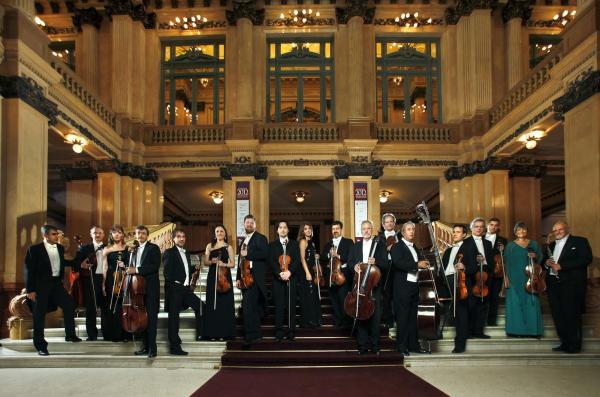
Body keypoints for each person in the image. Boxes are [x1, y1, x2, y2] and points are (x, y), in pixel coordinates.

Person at [24, 224, 81, 356]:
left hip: (56, 284)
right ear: (45, 235)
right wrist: (30, 290)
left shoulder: (60, 248)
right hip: (40, 286)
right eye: (53, 234)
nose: (57, 236)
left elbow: (61, 262)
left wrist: (77, 263)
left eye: (57, 234)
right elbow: (29, 270)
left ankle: (70, 335)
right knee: (39, 314)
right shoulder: (34, 249)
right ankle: (41, 346)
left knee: (69, 304)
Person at [544, 221, 593, 353]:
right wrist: (546, 263)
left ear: (567, 229)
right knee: (558, 315)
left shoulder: (580, 241)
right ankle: (565, 343)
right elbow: (544, 262)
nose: (557, 232)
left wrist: (562, 266)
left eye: (560, 229)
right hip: (554, 284)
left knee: (572, 314)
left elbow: (586, 259)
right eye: (555, 230)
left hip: (571, 285)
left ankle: (574, 345)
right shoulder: (552, 244)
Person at [452, 217, 496, 353]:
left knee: (483, 305)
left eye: (481, 226)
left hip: (484, 278)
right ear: (471, 228)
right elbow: (460, 261)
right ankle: (467, 332)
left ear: (484, 229)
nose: (479, 228)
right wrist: (475, 265)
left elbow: (492, 263)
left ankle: (478, 330)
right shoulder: (465, 243)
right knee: (470, 305)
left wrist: (485, 263)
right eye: (476, 226)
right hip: (470, 279)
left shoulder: (488, 244)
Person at [347, 220, 388, 355]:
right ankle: (362, 346)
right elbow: (349, 263)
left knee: (375, 318)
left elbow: (385, 264)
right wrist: (354, 266)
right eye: (364, 228)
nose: (366, 231)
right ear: (361, 230)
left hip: (373, 287)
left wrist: (376, 262)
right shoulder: (355, 246)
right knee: (361, 316)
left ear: (372, 230)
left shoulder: (380, 245)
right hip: (359, 285)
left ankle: (375, 346)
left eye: (368, 228)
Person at [390, 221, 429, 356]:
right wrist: (417, 264)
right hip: (402, 288)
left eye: (413, 229)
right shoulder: (397, 247)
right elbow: (398, 263)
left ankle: (414, 345)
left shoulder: (415, 247)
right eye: (408, 229)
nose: (412, 231)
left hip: (414, 286)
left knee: (413, 318)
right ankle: (401, 347)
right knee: (403, 318)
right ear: (403, 232)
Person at [163, 229, 205, 355]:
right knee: (174, 319)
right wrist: (175, 285)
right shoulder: (169, 252)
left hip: (185, 289)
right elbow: (167, 273)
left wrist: (193, 268)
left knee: (201, 306)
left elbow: (183, 270)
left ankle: (201, 334)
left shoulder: (186, 253)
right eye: (179, 236)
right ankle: (175, 347)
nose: (182, 238)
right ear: (173, 239)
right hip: (175, 289)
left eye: (183, 236)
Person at [124, 225, 161, 358]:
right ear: (135, 235)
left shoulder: (153, 248)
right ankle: (145, 347)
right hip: (137, 290)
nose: (140, 235)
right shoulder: (132, 251)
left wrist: (137, 270)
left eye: (143, 233)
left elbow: (154, 267)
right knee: (142, 320)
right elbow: (130, 267)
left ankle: (153, 349)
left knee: (151, 319)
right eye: (138, 233)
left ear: (147, 235)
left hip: (150, 289)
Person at [503, 222, 543, 338]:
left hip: (530, 278)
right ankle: (516, 331)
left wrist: (535, 257)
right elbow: (505, 264)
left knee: (532, 303)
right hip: (513, 279)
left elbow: (540, 258)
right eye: (519, 230)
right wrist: (506, 278)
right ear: (515, 232)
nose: (522, 232)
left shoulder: (534, 244)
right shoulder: (510, 246)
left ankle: (533, 331)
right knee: (515, 304)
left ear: (527, 231)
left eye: (524, 230)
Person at [235, 214, 269, 348]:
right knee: (251, 307)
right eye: (247, 223)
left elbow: (265, 254)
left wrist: (248, 254)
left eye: (251, 222)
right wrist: (238, 277)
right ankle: (256, 334)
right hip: (245, 278)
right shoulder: (243, 241)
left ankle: (249, 336)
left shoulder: (261, 238)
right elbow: (240, 261)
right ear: (244, 225)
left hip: (255, 278)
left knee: (248, 307)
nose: (249, 224)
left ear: (255, 224)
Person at [201, 225, 236, 341]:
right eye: (217, 231)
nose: (219, 233)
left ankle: (224, 333)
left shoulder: (228, 247)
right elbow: (205, 262)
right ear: (214, 234)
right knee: (212, 303)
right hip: (212, 276)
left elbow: (232, 264)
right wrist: (212, 261)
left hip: (224, 277)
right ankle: (212, 333)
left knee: (224, 304)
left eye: (221, 231)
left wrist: (223, 264)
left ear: (225, 234)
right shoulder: (209, 246)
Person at [268, 221, 301, 341]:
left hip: (291, 278)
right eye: (280, 227)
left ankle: (291, 331)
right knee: (279, 306)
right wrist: (279, 273)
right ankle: (279, 331)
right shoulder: (272, 245)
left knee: (291, 305)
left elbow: (297, 260)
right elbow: (271, 261)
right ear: (277, 230)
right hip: (278, 279)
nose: (282, 229)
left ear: (288, 230)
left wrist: (289, 272)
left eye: (285, 227)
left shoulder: (294, 244)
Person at [74, 226, 106, 341]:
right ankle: (92, 334)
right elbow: (76, 263)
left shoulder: (107, 247)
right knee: (91, 307)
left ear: (103, 235)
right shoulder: (84, 249)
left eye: (100, 233)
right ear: (91, 234)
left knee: (106, 307)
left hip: (106, 279)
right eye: (95, 233)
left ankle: (107, 332)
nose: (97, 235)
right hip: (91, 279)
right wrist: (81, 264)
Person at [321, 221, 354, 329]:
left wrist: (338, 255)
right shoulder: (328, 244)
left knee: (343, 299)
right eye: (333, 229)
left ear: (341, 229)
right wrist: (328, 254)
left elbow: (351, 257)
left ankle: (346, 322)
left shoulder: (348, 242)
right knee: (334, 300)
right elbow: (322, 257)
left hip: (343, 276)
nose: (335, 230)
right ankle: (337, 320)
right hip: (331, 276)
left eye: (337, 228)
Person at [101, 225, 129, 342]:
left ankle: (126, 333)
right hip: (111, 279)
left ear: (123, 234)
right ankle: (113, 334)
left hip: (125, 279)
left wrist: (125, 266)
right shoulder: (107, 249)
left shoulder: (128, 248)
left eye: (119, 232)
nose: (117, 234)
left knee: (124, 306)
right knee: (112, 305)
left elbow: (132, 264)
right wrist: (103, 283)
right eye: (114, 233)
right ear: (111, 235)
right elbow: (104, 267)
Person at [298, 222, 322, 328]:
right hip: (305, 272)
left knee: (313, 295)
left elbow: (311, 257)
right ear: (302, 231)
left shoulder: (312, 243)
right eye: (305, 229)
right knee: (307, 295)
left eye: (309, 228)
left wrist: (316, 256)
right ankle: (307, 320)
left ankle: (314, 319)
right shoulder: (303, 241)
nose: (308, 230)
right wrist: (307, 273)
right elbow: (302, 259)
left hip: (312, 271)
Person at [441, 224, 468, 319]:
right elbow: (442, 266)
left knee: (458, 304)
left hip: (456, 278)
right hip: (445, 279)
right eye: (454, 232)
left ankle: (456, 322)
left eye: (458, 232)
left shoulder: (467, 248)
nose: (454, 234)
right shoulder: (448, 250)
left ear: (464, 235)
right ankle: (448, 321)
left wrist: (464, 267)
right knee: (446, 303)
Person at [485, 217, 508, 326]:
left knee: (494, 298)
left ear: (498, 227)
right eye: (491, 224)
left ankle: (491, 322)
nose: (493, 227)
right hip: (482, 273)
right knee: (482, 297)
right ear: (487, 225)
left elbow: (506, 257)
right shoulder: (480, 237)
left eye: (496, 225)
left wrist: (503, 251)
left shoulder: (503, 240)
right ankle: (480, 320)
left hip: (496, 272)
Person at [379, 213, 397, 329]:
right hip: (385, 268)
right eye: (387, 222)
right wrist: (386, 250)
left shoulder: (400, 236)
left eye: (391, 221)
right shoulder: (379, 238)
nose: (389, 223)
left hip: (398, 267)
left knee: (398, 294)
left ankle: (398, 318)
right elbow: (378, 254)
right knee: (386, 294)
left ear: (394, 223)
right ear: (383, 225)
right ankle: (387, 319)